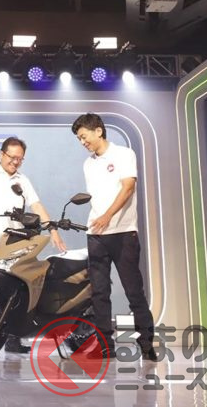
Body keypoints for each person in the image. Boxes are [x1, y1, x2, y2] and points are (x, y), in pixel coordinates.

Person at [0, 137, 66, 353]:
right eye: (12, 157)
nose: (16, 162)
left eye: (20, 159)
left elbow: (36, 205)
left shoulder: (23, 180)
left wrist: (53, 230)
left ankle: (12, 340)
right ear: (1, 154)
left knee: (16, 290)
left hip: (17, 241)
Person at [71, 113, 156, 361]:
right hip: (96, 235)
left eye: (84, 136)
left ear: (98, 131)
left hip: (123, 233)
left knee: (134, 291)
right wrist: (99, 220)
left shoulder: (123, 154)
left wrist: (108, 215)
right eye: (79, 139)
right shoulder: (87, 164)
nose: (82, 142)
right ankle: (105, 345)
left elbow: (128, 187)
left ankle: (146, 344)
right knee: (99, 293)